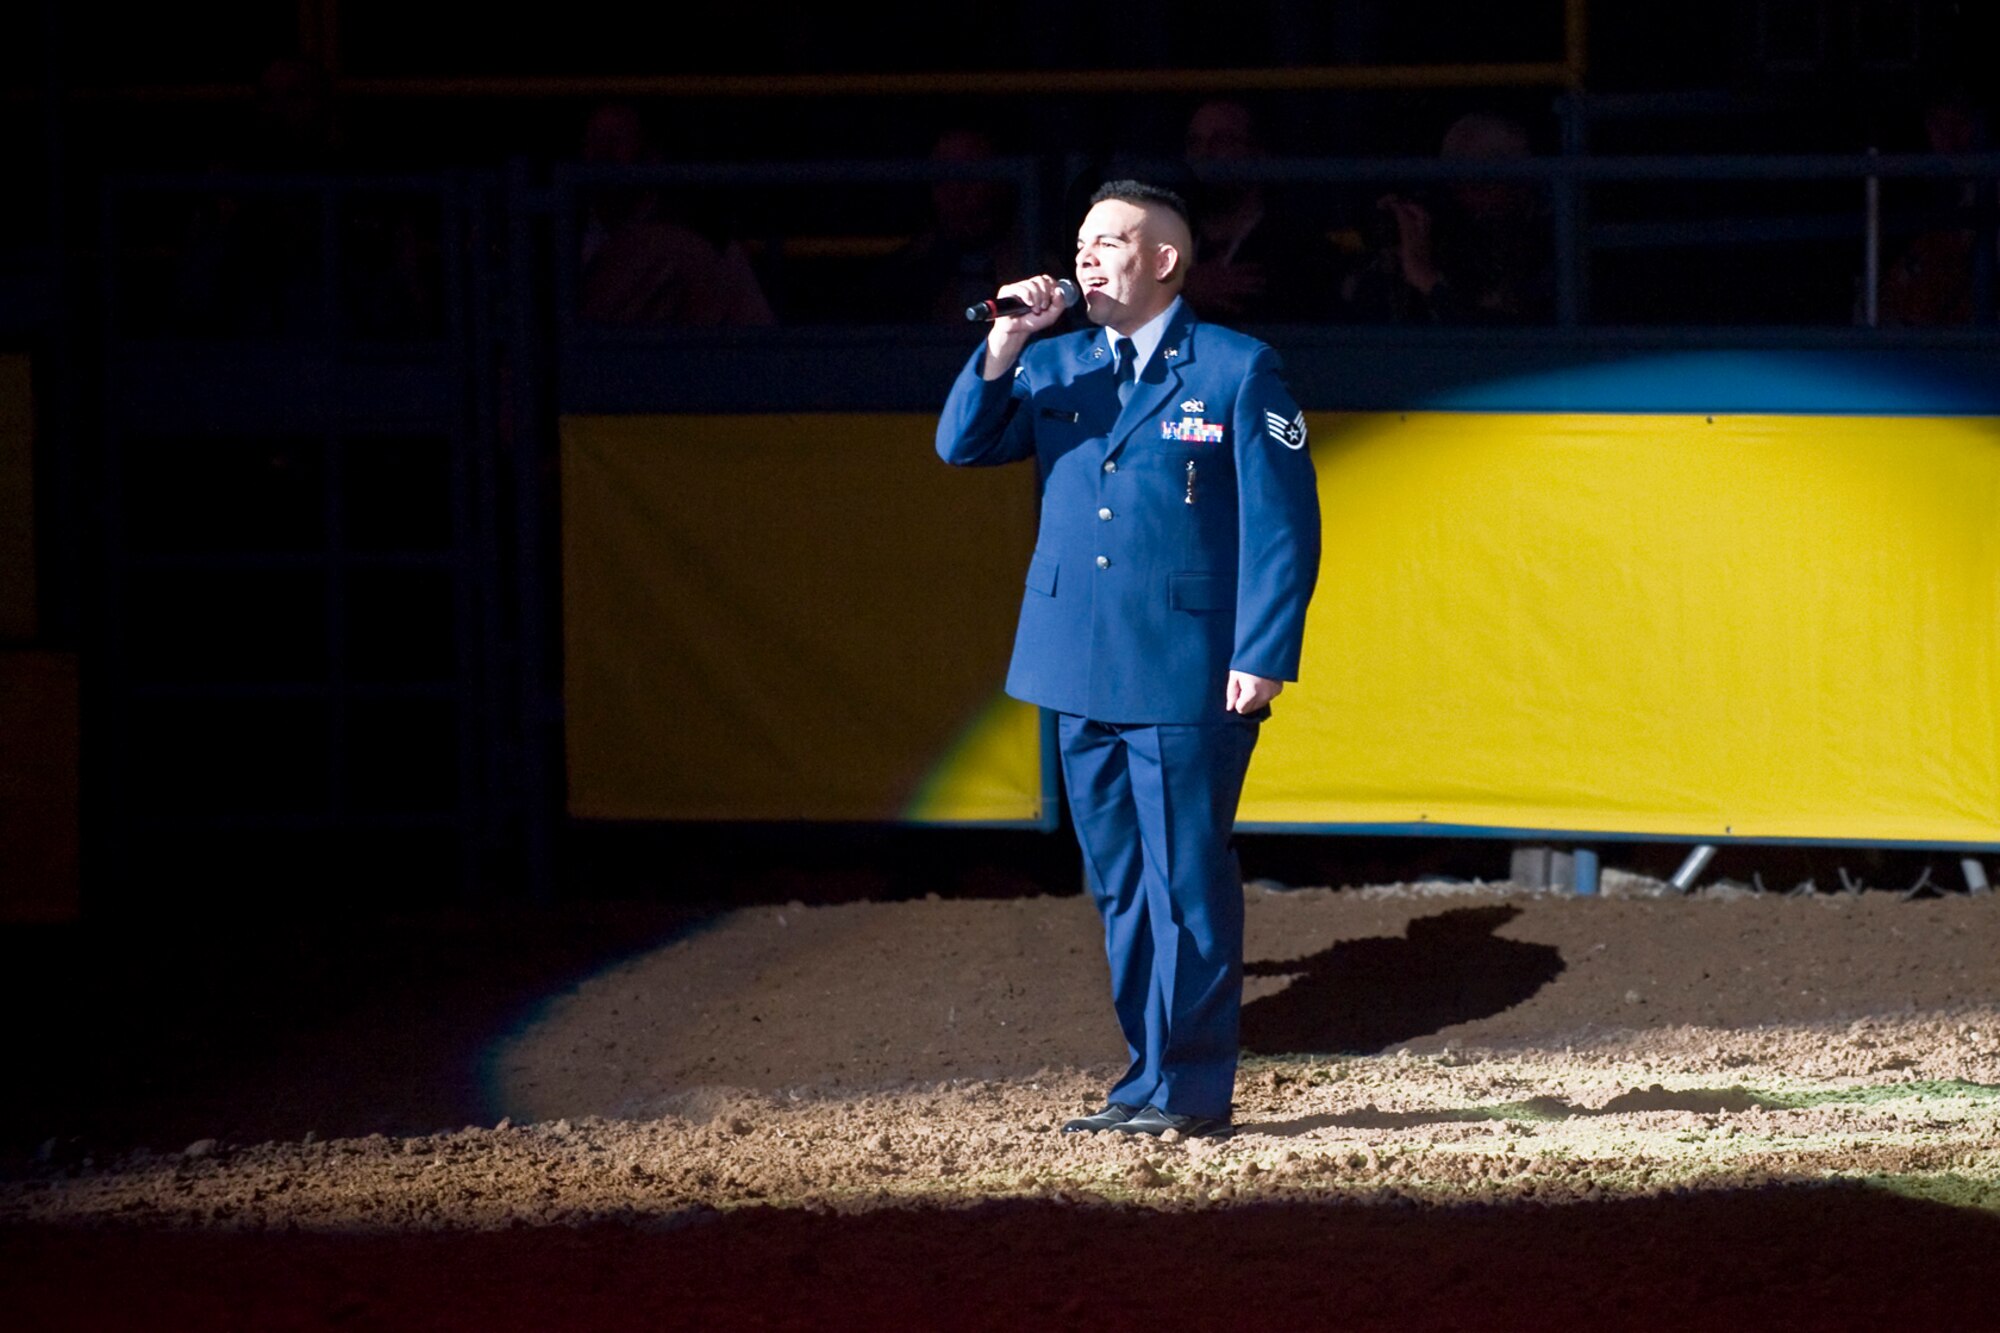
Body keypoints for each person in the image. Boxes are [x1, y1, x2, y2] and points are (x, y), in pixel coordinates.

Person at [935, 181, 1321, 1139]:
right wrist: (1006, 341)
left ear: (1165, 261)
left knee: (1185, 879)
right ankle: (1146, 1076)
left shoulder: (1236, 368)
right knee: (1118, 884)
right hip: (1075, 665)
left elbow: (1284, 529)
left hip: (1188, 667)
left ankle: (1188, 1089)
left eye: (1112, 241)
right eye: (1080, 241)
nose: (1089, 257)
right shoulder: (1056, 362)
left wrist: (1263, 649)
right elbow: (960, 444)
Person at [1343, 111, 1553, 324]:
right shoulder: (1448, 220)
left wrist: (1426, 278)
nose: (1464, 196)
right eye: (1455, 184)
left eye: (1477, 184)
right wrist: (1396, 249)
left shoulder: (1557, 230)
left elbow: (1502, 340)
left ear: (1519, 176)